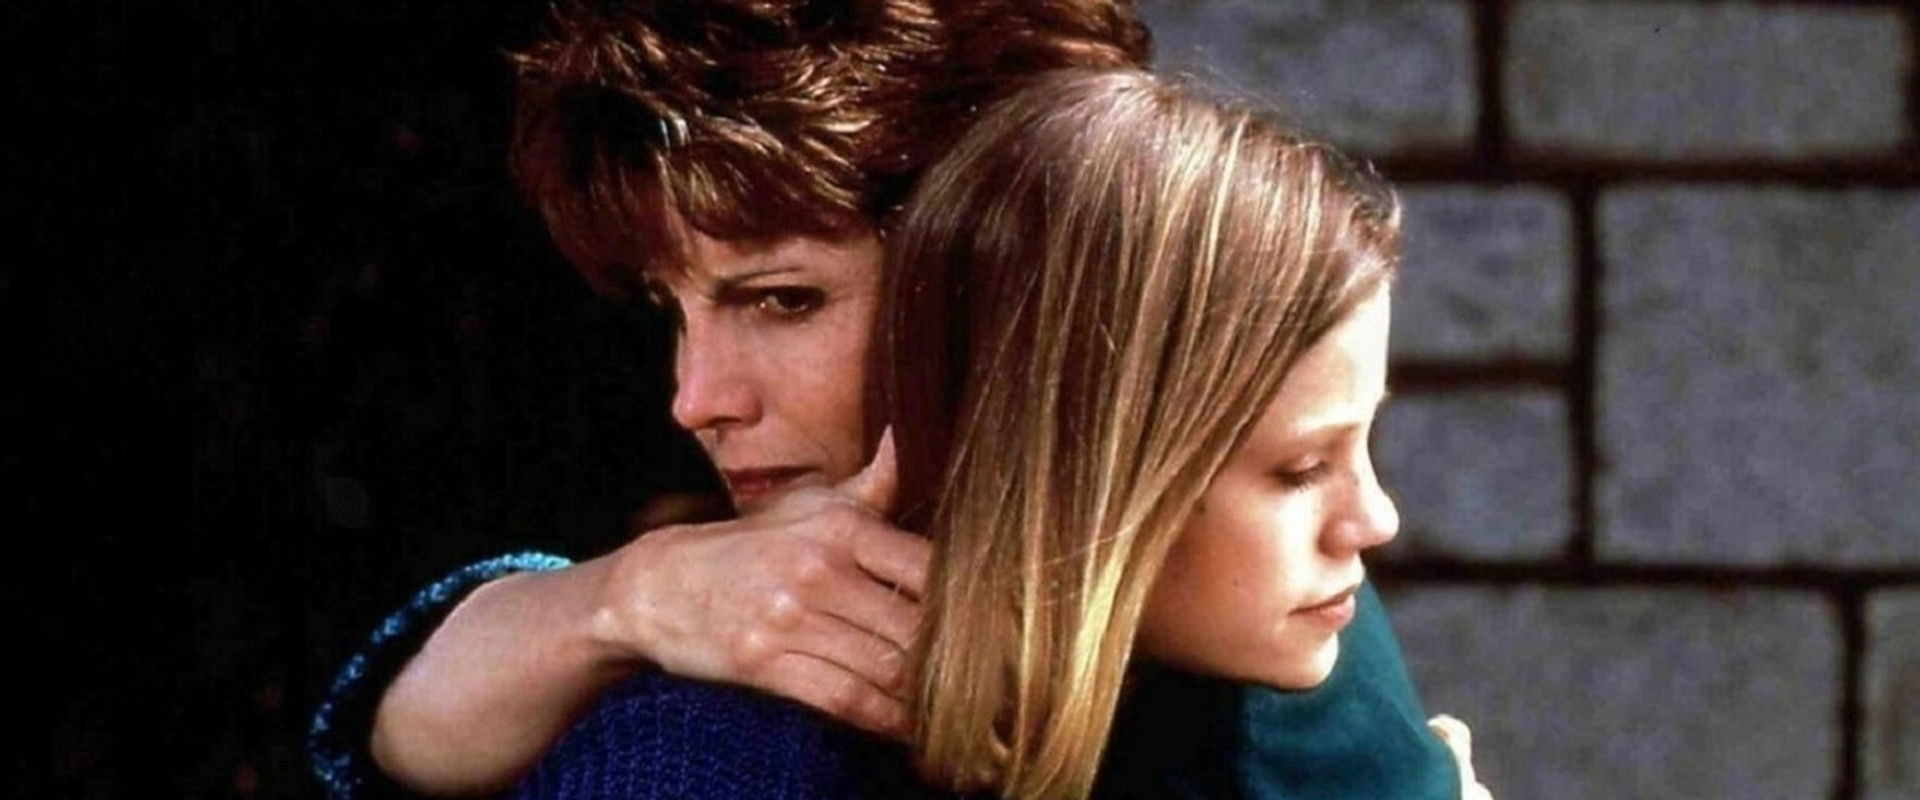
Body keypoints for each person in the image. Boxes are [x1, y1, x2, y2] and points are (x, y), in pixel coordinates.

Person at [307, 2, 1476, 798]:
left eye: (784, 299)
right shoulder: (715, 724)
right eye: (673, 307)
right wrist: (622, 603)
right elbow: (390, 733)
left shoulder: (1264, 605)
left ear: (1013, 275)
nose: (695, 398)